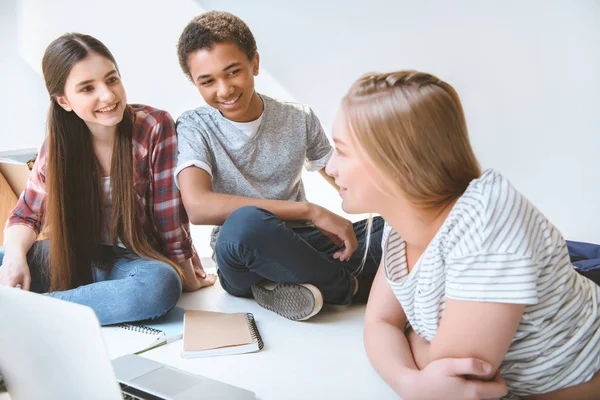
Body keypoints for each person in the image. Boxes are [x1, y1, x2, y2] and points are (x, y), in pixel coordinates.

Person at [326, 70, 600, 399]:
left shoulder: (488, 219)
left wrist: (413, 342)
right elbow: (380, 324)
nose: (329, 168)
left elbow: (458, 382)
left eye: (341, 151)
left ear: (398, 163)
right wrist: (410, 382)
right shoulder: (400, 227)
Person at [175, 11, 383, 321]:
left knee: (396, 227)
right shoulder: (194, 126)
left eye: (233, 72)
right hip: (245, 253)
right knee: (246, 223)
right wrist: (310, 210)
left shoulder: (298, 117)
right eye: (207, 81)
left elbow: (342, 174)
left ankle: (291, 285)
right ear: (195, 83)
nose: (224, 89)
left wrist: (400, 203)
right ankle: (349, 286)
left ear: (254, 63)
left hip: (307, 243)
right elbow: (198, 207)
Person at [0, 33, 216, 326]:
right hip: (77, 258)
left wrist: (188, 277)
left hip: (135, 261)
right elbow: (27, 214)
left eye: (112, 79)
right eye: (87, 88)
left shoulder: (154, 126)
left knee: (161, 286)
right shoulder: (56, 147)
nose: (108, 95)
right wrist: (15, 257)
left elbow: (169, 218)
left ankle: (27, 313)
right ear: (64, 100)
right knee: (6, 256)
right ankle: (30, 309)